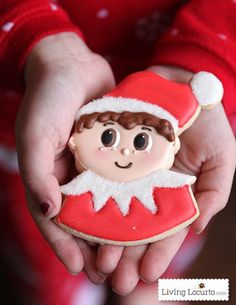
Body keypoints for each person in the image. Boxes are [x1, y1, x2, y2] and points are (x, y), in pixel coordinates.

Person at [0, 1, 235, 305]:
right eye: (109, 135)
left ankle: (159, 289)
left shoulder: (173, 187)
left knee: (167, 254)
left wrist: (207, 57)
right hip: (32, 104)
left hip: (199, 63)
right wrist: (39, 37)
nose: (125, 149)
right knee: (48, 257)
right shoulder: (77, 184)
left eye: (140, 141)